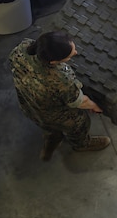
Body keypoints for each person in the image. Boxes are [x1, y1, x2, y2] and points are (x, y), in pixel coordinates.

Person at [9, 31, 110, 161]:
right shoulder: (60, 79)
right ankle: (81, 144)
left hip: (28, 105)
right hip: (53, 113)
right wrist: (96, 106)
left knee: (45, 124)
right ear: (53, 61)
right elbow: (78, 102)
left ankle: (53, 137)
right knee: (79, 122)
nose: (75, 53)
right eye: (70, 55)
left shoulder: (21, 48)